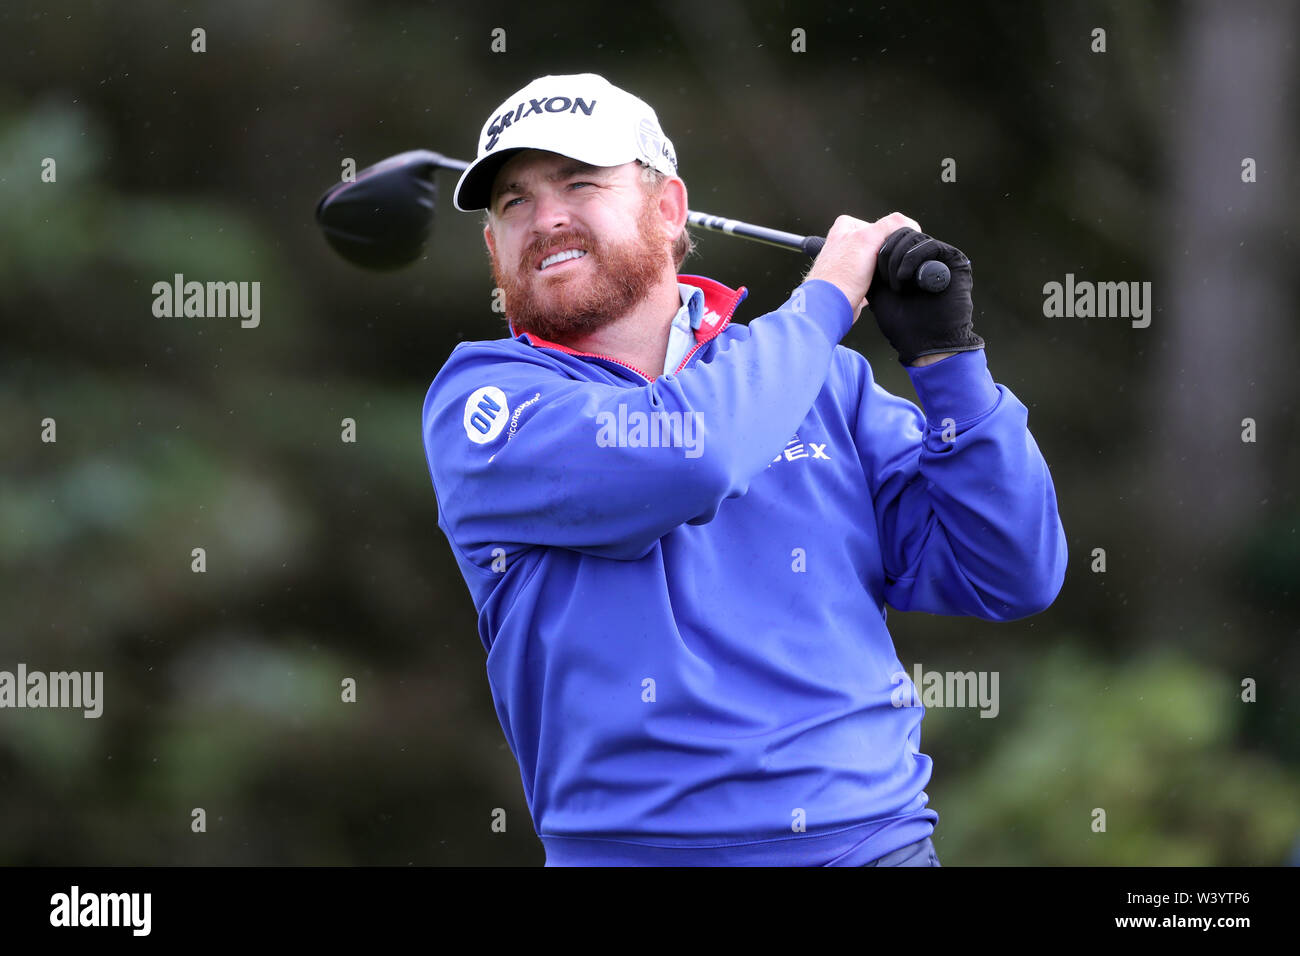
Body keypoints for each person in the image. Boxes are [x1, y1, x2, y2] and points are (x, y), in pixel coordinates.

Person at [421, 72, 1067, 866]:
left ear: (667, 208)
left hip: (874, 850)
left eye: (580, 182)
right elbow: (691, 455)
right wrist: (827, 297)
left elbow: (1011, 571)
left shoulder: (821, 382)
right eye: (513, 201)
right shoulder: (482, 402)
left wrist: (949, 362)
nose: (545, 217)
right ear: (493, 247)